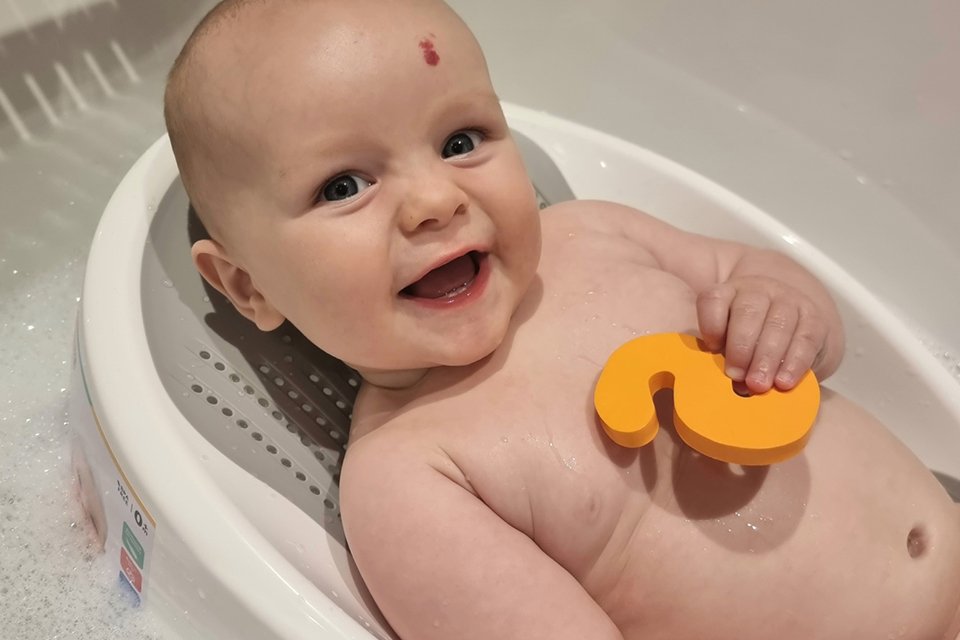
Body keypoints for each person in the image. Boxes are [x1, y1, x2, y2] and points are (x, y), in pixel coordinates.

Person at [162, 1, 960, 638]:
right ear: (247, 287)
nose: (437, 200)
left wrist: (784, 312)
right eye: (344, 186)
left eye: (461, 139)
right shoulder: (413, 477)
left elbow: (809, 322)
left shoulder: (598, 233)